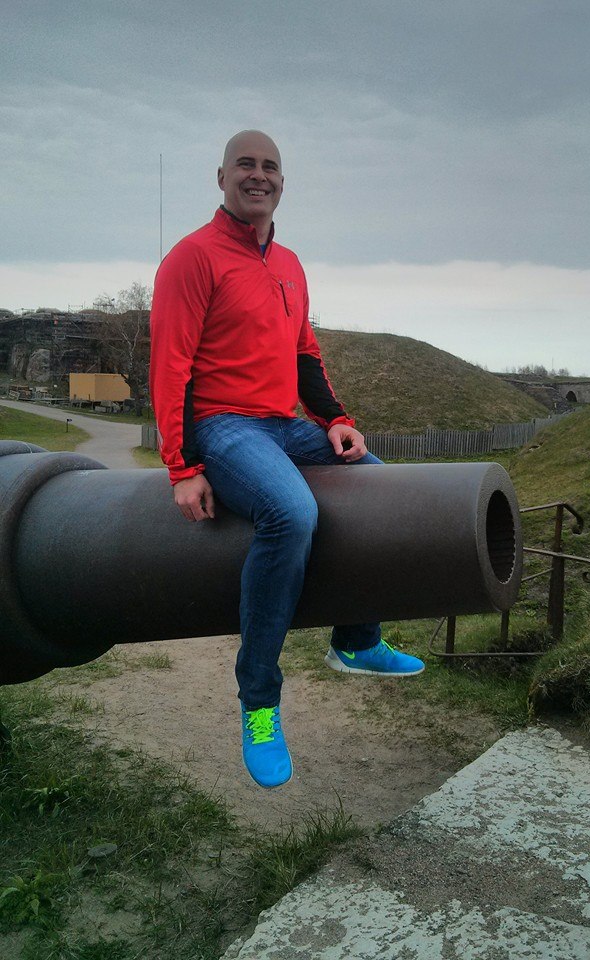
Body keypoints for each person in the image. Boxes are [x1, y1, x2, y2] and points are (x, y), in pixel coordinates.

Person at [149, 130, 424, 789]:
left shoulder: (290, 264)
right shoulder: (192, 257)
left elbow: (305, 354)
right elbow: (171, 365)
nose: (258, 175)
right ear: (221, 178)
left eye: (269, 167)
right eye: (245, 164)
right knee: (290, 512)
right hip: (222, 425)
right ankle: (259, 701)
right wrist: (182, 468)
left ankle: (356, 640)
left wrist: (336, 420)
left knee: (376, 484)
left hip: (282, 424)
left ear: (281, 182)